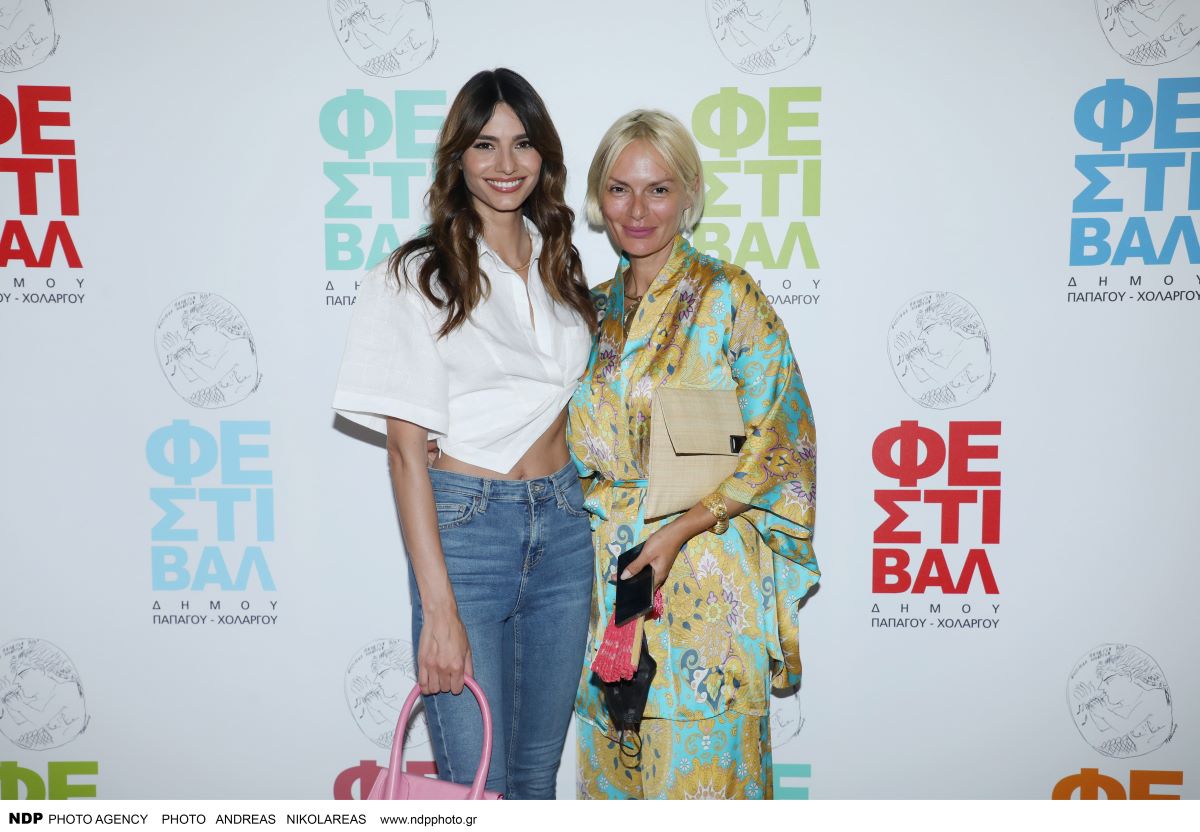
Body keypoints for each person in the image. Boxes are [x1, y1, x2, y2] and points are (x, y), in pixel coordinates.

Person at [332, 68, 596, 799]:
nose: (505, 164)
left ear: (544, 156)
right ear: (458, 156)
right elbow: (404, 452)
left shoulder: (560, 261)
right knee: (478, 787)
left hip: (565, 528)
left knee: (536, 778)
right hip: (468, 533)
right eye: (485, 144)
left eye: (522, 144)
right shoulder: (416, 274)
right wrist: (438, 609)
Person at [567, 109, 820, 800]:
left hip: (707, 576)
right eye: (619, 189)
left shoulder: (728, 296)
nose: (637, 210)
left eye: (658, 189)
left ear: (689, 194)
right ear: (598, 198)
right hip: (609, 583)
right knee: (615, 774)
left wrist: (679, 531)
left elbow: (784, 436)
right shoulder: (585, 312)